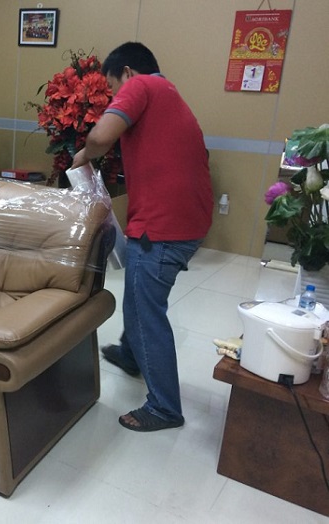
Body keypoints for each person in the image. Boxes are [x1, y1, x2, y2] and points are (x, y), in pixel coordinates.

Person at [72, 42, 213, 432]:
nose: (114, 97)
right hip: (185, 221)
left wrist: (85, 155)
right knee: (139, 296)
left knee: (143, 312)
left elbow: (101, 136)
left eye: (113, 88)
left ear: (127, 73)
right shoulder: (167, 92)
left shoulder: (141, 85)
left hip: (164, 226)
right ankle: (131, 355)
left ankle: (165, 408)